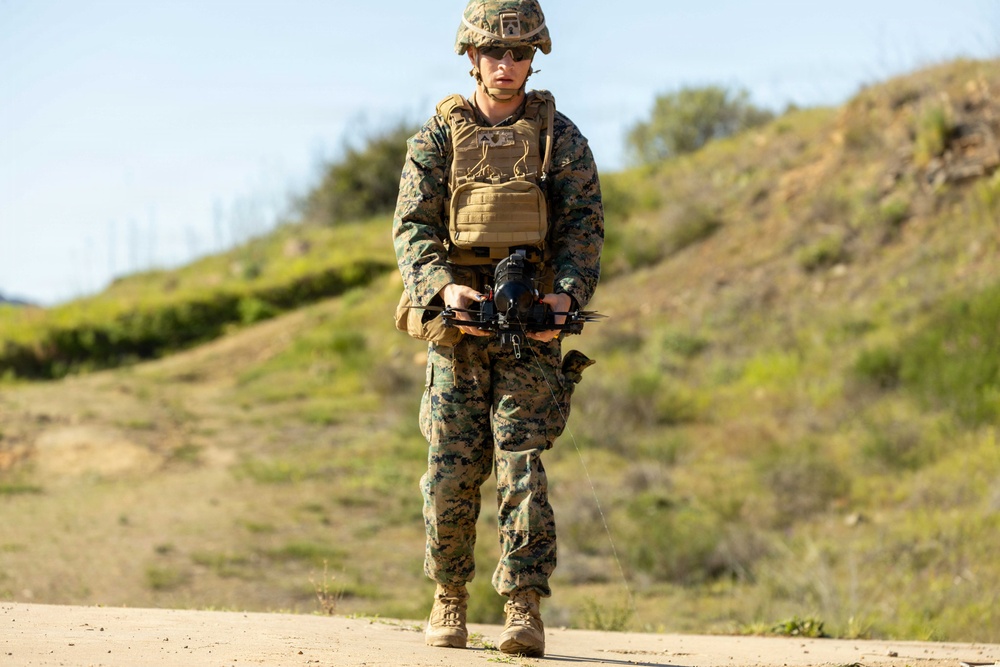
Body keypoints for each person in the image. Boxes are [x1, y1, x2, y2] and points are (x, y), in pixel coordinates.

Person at [391, 0, 603, 657]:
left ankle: (522, 607)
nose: (506, 66)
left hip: (529, 328)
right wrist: (441, 285)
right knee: (451, 470)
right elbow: (412, 226)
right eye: (493, 53)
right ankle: (449, 594)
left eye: (518, 54)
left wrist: (564, 298)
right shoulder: (439, 137)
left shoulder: (557, 137)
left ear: (534, 56)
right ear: (471, 55)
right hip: (459, 330)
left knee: (522, 467)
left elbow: (582, 229)